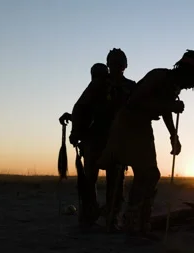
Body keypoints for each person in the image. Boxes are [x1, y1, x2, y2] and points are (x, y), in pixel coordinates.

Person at [98, 49, 194, 238]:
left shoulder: (172, 85)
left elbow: (165, 111)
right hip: (129, 125)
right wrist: (169, 106)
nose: (193, 85)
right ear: (187, 72)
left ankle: (141, 223)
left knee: (150, 175)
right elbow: (135, 103)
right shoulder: (159, 76)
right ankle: (133, 223)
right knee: (147, 174)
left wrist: (173, 135)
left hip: (142, 127)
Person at [68, 49, 137, 229]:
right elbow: (81, 107)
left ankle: (111, 218)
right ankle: (88, 216)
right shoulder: (98, 85)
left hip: (117, 140)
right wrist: (76, 131)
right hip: (95, 138)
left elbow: (137, 111)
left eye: (118, 63)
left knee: (115, 182)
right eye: (112, 63)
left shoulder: (130, 87)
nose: (116, 67)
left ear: (125, 66)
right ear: (108, 65)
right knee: (89, 181)